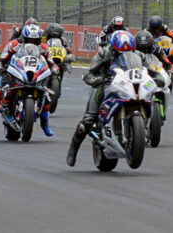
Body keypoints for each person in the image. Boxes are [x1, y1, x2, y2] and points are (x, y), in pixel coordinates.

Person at [65, 30, 162, 166]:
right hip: (105, 85)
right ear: (114, 47)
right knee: (87, 120)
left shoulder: (139, 55)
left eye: (128, 50)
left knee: (149, 97)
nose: (125, 54)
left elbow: (151, 70)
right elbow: (89, 73)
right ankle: (73, 149)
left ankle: (141, 132)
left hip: (129, 85)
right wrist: (95, 80)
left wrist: (158, 77)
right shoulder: (105, 53)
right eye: (121, 51)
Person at [0, 24, 57, 137]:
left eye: (35, 40)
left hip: (33, 72)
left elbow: (50, 62)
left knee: (46, 93)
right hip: (10, 71)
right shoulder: (14, 44)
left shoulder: (43, 47)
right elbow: (2, 58)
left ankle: (45, 124)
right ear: (24, 38)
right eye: (30, 40)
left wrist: (54, 68)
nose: (32, 43)